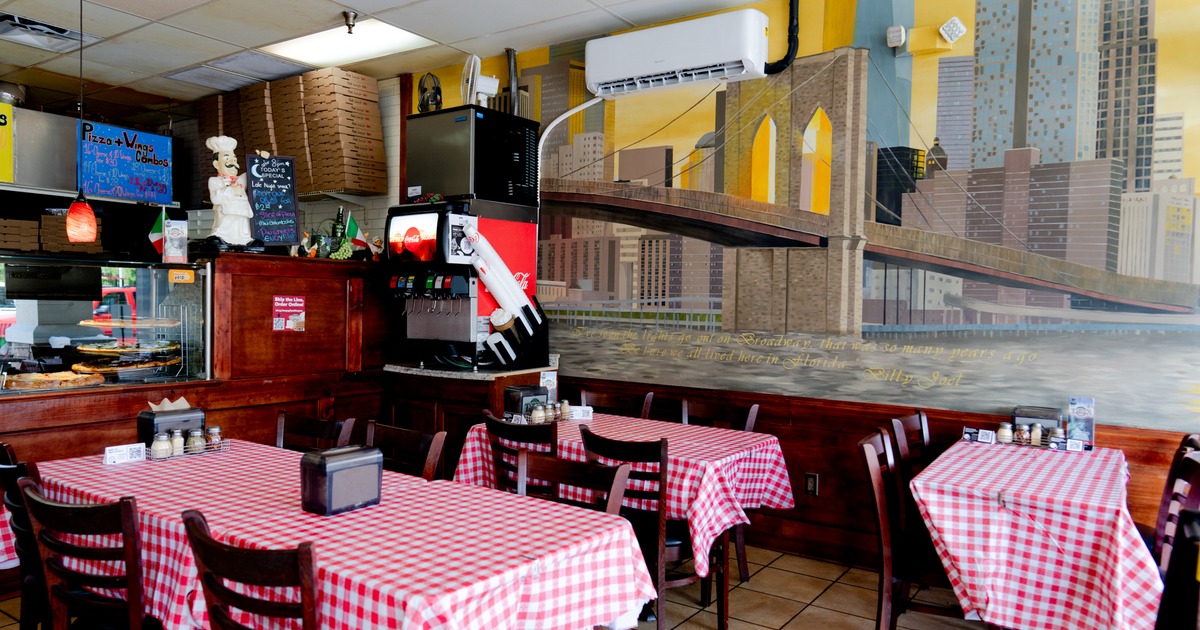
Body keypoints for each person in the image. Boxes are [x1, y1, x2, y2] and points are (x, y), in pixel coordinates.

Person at [205, 136, 268, 246]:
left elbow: (254, 171)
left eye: (234, 159)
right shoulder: (214, 181)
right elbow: (215, 198)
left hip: (242, 212)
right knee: (224, 227)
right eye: (227, 158)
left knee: (243, 228)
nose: (232, 162)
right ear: (216, 164)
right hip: (226, 213)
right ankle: (221, 238)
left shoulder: (240, 180)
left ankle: (246, 241)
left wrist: (261, 160)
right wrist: (231, 189)